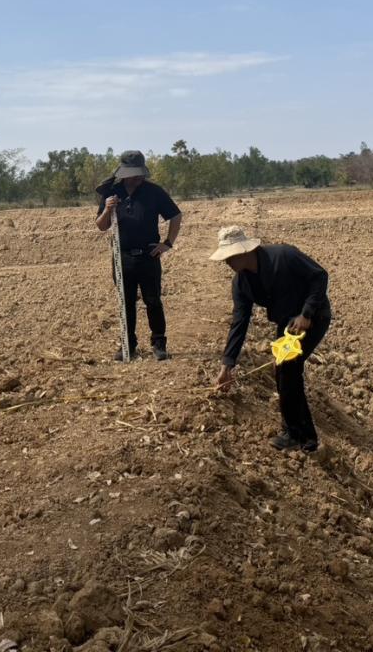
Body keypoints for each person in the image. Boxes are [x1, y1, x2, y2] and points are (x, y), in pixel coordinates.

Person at [210, 225, 331, 453]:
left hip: (313, 316)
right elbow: (239, 321)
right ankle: (296, 432)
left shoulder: (285, 255)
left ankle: (302, 437)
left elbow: (319, 276)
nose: (227, 263)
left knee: (288, 369)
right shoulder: (241, 283)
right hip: (288, 325)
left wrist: (306, 313)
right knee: (283, 371)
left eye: (230, 257)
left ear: (245, 252)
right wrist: (228, 364)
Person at [95, 150, 181, 361]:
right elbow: (101, 226)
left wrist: (167, 243)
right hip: (122, 257)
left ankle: (159, 344)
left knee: (153, 301)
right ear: (124, 174)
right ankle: (128, 345)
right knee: (126, 302)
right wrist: (107, 210)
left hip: (148, 256)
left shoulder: (154, 192)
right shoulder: (112, 193)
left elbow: (176, 215)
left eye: (139, 173)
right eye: (133, 174)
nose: (137, 177)